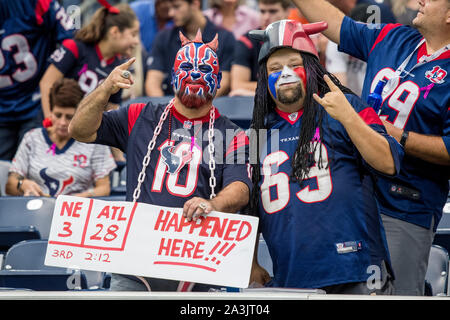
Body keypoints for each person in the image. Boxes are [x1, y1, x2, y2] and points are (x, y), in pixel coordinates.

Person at [68, 30, 252, 292]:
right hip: (135, 262)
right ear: (174, 75)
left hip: (196, 263)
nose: (196, 74)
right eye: (187, 67)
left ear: (219, 80)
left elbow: (241, 189)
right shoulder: (138, 114)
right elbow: (79, 130)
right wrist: (105, 88)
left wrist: (211, 203)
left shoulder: (235, 134)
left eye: (205, 69)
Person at [292, 0, 450, 296]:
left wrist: (390, 134)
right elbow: (334, 23)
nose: (420, 1)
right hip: (352, 201)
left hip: (405, 205)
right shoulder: (394, 37)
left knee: (394, 296)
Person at [248, 20, 404, 294]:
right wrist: (250, 262)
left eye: (294, 65)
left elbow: (390, 164)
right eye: (275, 68)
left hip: (358, 275)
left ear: (311, 67)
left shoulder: (347, 106)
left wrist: (348, 118)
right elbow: (247, 206)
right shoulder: (256, 134)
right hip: (292, 280)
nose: (285, 74)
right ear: (263, 78)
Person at [5, 78, 116, 198]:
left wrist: (75, 200)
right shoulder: (32, 138)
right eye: (58, 115)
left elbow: (104, 188)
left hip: (75, 212)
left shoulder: (93, 142)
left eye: (69, 117)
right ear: (50, 112)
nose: (62, 122)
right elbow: (10, 185)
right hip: (36, 211)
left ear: (79, 115)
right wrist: (22, 184)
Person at [0, 0, 75, 161]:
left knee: (33, 170)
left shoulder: (39, 4)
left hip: (34, 104)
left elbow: (72, 41)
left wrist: (52, 74)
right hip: (2, 108)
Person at [39, 2, 140, 120]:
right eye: (133, 34)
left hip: (83, 132)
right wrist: (49, 120)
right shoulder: (76, 47)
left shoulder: (118, 67)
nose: (137, 41)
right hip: (58, 125)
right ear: (115, 32)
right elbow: (47, 83)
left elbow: (112, 107)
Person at [145, 0, 236, 98]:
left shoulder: (224, 37)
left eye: (176, 7)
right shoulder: (163, 37)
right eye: (169, 8)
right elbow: (152, 83)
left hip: (210, 107)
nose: (170, 13)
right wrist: (169, 110)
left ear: (195, 4)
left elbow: (224, 83)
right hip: (171, 107)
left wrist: (199, 107)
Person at [229, 0, 291, 96]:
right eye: (262, 11)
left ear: (287, 12)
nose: (266, 17)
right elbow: (238, 85)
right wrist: (284, 86)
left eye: (273, 11)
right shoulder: (247, 41)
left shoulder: (298, 39)